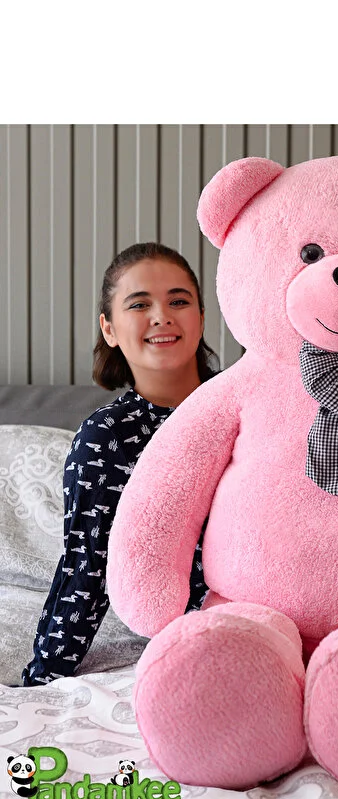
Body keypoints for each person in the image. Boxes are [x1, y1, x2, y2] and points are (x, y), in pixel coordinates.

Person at [22, 242, 218, 686]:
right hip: (194, 637)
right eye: (139, 304)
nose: (161, 316)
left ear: (201, 318)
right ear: (109, 328)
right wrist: (42, 679)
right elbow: (86, 566)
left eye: (179, 301)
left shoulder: (245, 406)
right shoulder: (106, 438)